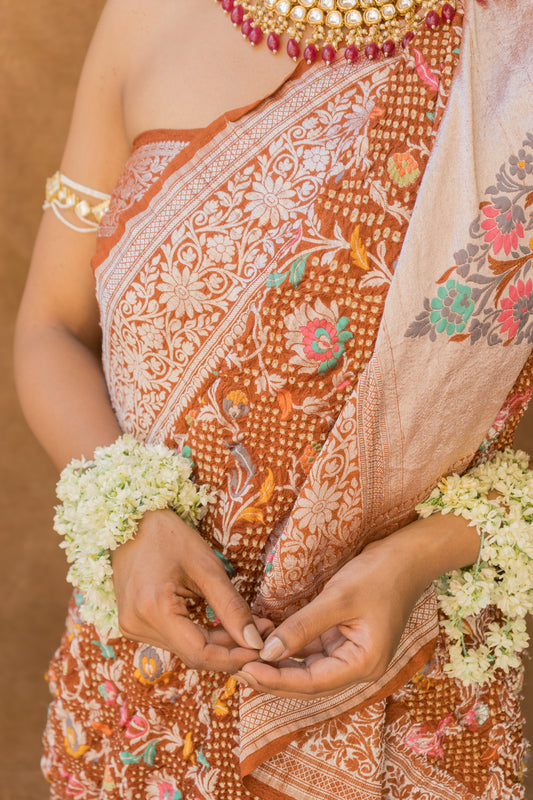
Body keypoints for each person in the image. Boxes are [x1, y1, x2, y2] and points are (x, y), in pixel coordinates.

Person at [13, 0, 533, 797]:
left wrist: (417, 557)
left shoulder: (512, 63)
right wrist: (131, 524)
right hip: (139, 700)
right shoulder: (147, 17)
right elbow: (49, 330)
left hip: (406, 703)